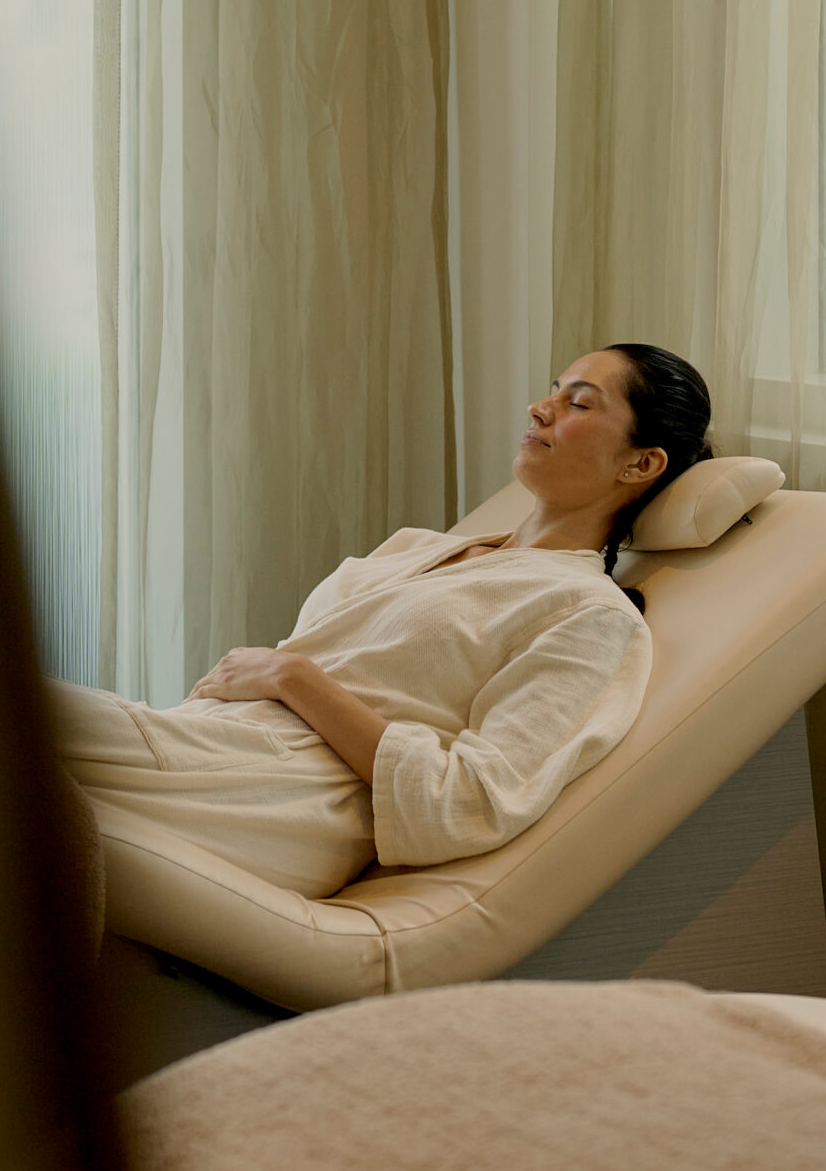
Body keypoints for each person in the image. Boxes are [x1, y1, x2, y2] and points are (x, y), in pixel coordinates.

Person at [52, 344, 712, 900]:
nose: (539, 409)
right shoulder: (415, 550)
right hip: (208, 749)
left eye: (579, 403)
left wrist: (293, 676)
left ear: (641, 462)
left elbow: (470, 801)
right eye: (551, 391)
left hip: (280, 801)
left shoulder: (587, 614)